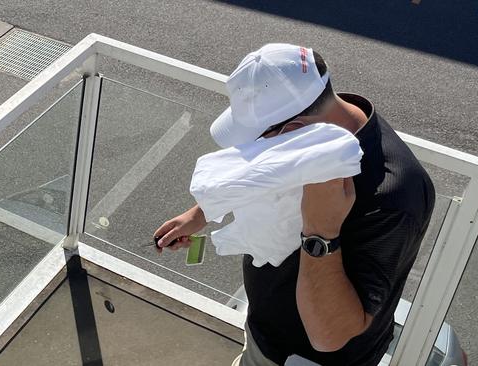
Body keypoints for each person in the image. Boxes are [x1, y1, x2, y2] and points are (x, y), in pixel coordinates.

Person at [153, 44, 435, 366]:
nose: (255, 150)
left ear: (293, 130)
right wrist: (200, 213)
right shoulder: (314, 131)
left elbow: (330, 336)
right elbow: (261, 173)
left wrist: (321, 233)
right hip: (265, 334)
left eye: (258, 141)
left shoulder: (393, 196)